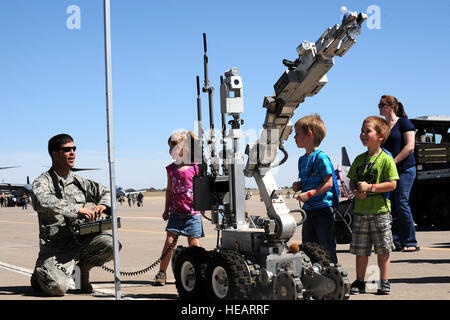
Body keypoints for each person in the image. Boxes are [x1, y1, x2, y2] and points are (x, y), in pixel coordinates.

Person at [30, 134, 120, 296]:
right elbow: (41, 200)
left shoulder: (80, 182)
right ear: (54, 154)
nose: (72, 153)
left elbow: (107, 191)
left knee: (110, 244)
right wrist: (76, 209)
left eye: (74, 149)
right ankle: (39, 275)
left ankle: (80, 271)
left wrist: (102, 204)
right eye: (67, 149)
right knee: (57, 288)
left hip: (80, 242)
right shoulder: (43, 182)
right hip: (56, 249)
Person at [347, 116, 399, 295]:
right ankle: (360, 281)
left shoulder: (386, 159)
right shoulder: (359, 159)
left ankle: (384, 281)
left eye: (367, 131)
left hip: (380, 211)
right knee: (361, 250)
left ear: (380, 136)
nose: (362, 134)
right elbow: (352, 181)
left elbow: (392, 184)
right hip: (361, 211)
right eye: (362, 131)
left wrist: (371, 187)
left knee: (383, 249)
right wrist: (355, 191)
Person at [153, 130, 204, 286]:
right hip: (176, 213)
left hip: (193, 214)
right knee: (169, 242)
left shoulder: (195, 166)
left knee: (194, 245)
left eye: (173, 147)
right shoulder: (170, 169)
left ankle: (198, 274)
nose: (170, 151)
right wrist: (166, 209)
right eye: (169, 148)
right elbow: (169, 190)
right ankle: (161, 273)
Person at [291, 114, 338, 263]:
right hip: (309, 211)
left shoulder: (321, 157)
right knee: (308, 247)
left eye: (297, 133)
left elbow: (329, 182)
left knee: (326, 247)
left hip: (323, 210)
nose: (294, 137)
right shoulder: (302, 159)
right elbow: (309, 182)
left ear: (309, 134)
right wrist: (299, 186)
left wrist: (309, 194)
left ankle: (333, 276)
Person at [378, 95, 419, 252]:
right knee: (392, 206)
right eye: (379, 104)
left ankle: (410, 241)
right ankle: (396, 241)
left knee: (401, 202)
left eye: (382, 104)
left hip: (404, 169)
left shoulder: (404, 122)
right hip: (389, 171)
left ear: (391, 107)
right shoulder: (383, 126)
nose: (379, 107)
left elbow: (410, 146)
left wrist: (393, 162)